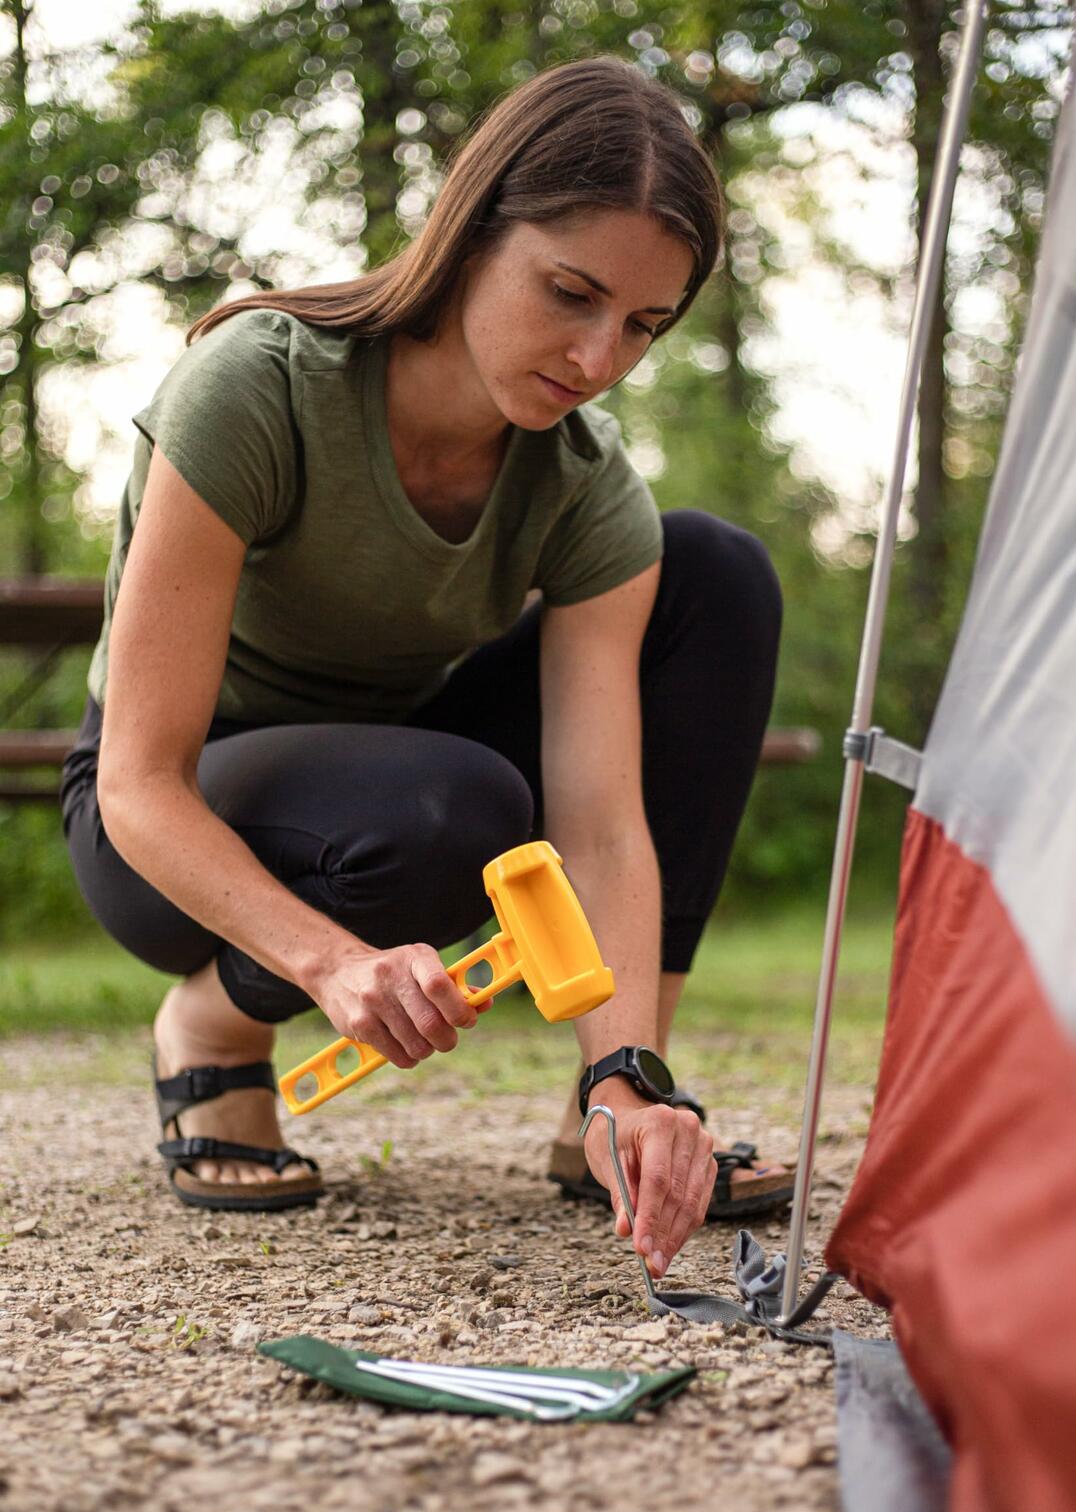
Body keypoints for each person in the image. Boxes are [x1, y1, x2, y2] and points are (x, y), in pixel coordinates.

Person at [60, 54, 793, 1285]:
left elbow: (603, 826)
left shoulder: (582, 483)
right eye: (570, 293)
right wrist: (329, 963)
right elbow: (139, 780)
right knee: (450, 810)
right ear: (470, 232)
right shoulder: (258, 388)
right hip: (170, 828)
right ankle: (210, 1021)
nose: (599, 355)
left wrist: (628, 1073)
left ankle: (604, 1127)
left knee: (714, 572)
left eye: (642, 326)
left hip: (405, 780)